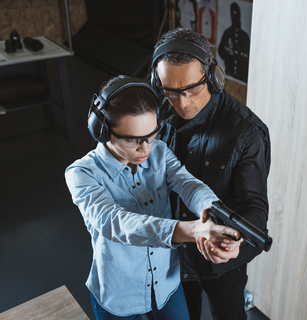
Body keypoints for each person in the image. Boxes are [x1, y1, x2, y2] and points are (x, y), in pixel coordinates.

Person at [65, 75, 241, 320]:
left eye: (151, 134)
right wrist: (192, 230)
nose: (145, 149)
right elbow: (114, 222)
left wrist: (212, 212)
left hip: (166, 284)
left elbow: (187, 183)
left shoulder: (159, 151)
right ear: (102, 130)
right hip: (119, 296)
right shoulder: (82, 173)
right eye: (132, 140)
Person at [150, 28, 271, 320]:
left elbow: (254, 206)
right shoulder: (155, 115)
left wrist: (235, 244)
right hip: (169, 256)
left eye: (192, 89)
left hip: (221, 265)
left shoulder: (246, 132)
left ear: (214, 78)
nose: (181, 102)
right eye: (170, 91)